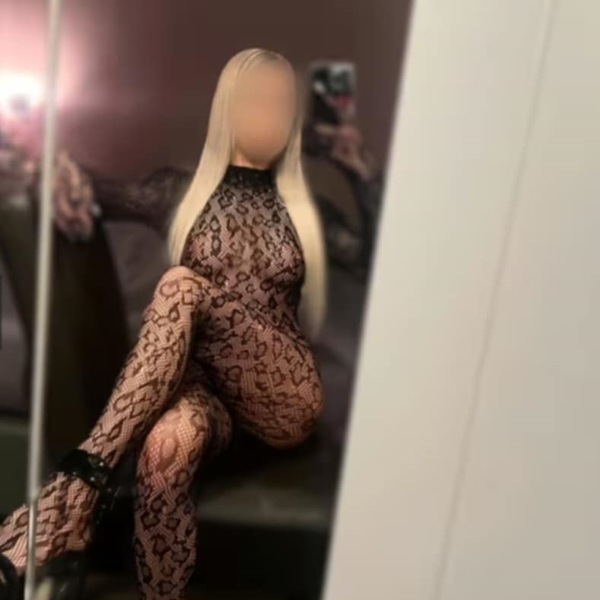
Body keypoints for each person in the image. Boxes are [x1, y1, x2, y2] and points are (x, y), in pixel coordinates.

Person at [0, 48, 327, 600]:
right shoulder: (177, 191)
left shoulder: (307, 210)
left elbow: (378, 248)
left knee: (180, 285)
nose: (269, 116)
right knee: (165, 447)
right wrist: (44, 153)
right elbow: (93, 190)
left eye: (282, 103)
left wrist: (354, 165)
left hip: (281, 394)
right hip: (207, 396)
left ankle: (73, 492)